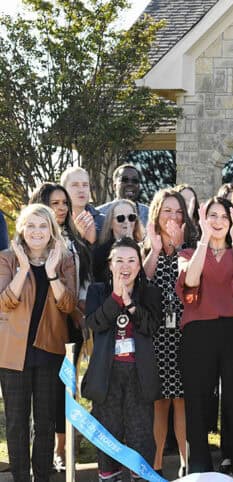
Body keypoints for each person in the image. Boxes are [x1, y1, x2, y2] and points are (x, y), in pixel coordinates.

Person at [177, 197, 233, 480]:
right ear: (203, 219)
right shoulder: (188, 253)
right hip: (199, 332)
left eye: (224, 216)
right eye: (212, 215)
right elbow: (191, 283)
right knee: (197, 403)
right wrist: (203, 238)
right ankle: (199, 470)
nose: (218, 220)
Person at [0, 203, 77, 482]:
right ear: (21, 228)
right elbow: (5, 302)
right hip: (12, 353)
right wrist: (22, 268)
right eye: (30, 225)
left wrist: (52, 272)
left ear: (52, 230)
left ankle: (42, 477)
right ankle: (21, 477)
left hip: (50, 350)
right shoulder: (6, 259)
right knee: (17, 423)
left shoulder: (65, 259)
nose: (36, 231)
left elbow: (68, 305)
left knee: (45, 423)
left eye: (43, 225)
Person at [82, 237, 161, 481]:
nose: (125, 266)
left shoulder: (149, 291)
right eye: (119, 261)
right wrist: (116, 298)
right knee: (109, 432)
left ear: (139, 265)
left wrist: (130, 303)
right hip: (107, 374)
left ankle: (140, 475)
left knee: (141, 434)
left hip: (139, 373)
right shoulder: (97, 291)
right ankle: (109, 475)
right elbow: (94, 323)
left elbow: (152, 327)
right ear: (110, 264)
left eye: (131, 260)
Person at [29, 183, 92, 471]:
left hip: (72, 322)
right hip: (43, 326)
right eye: (55, 203)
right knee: (44, 391)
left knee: (67, 388)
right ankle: (48, 452)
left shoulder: (75, 241)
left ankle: (65, 449)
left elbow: (85, 280)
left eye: (64, 202)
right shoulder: (35, 241)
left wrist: (80, 311)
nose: (63, 208)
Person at [142, 188, 197, 477]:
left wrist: (179, 250)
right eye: (167, 211)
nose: (173, 216)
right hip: (155, 336)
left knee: (183, 401)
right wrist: (156, 248)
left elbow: (190, 283)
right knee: (159, 401)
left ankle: (187, 464)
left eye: (178, 211)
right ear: (157, 214)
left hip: (184, 334)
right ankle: (157, 462)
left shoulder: (191, 248)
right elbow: (142, 281)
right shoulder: (145, 247)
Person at [93, 200, 145, 283]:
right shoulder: (101, 253)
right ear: (110, 223)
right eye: (120, 218)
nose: (127, 222)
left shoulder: (144, 248)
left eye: (131, 217)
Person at [61, 166, 105, 243]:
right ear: (63, 189)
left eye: (85, 185)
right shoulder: (56, 221)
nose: (81, 190)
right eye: (75, 185)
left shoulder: (103, 221)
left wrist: (92, 241)